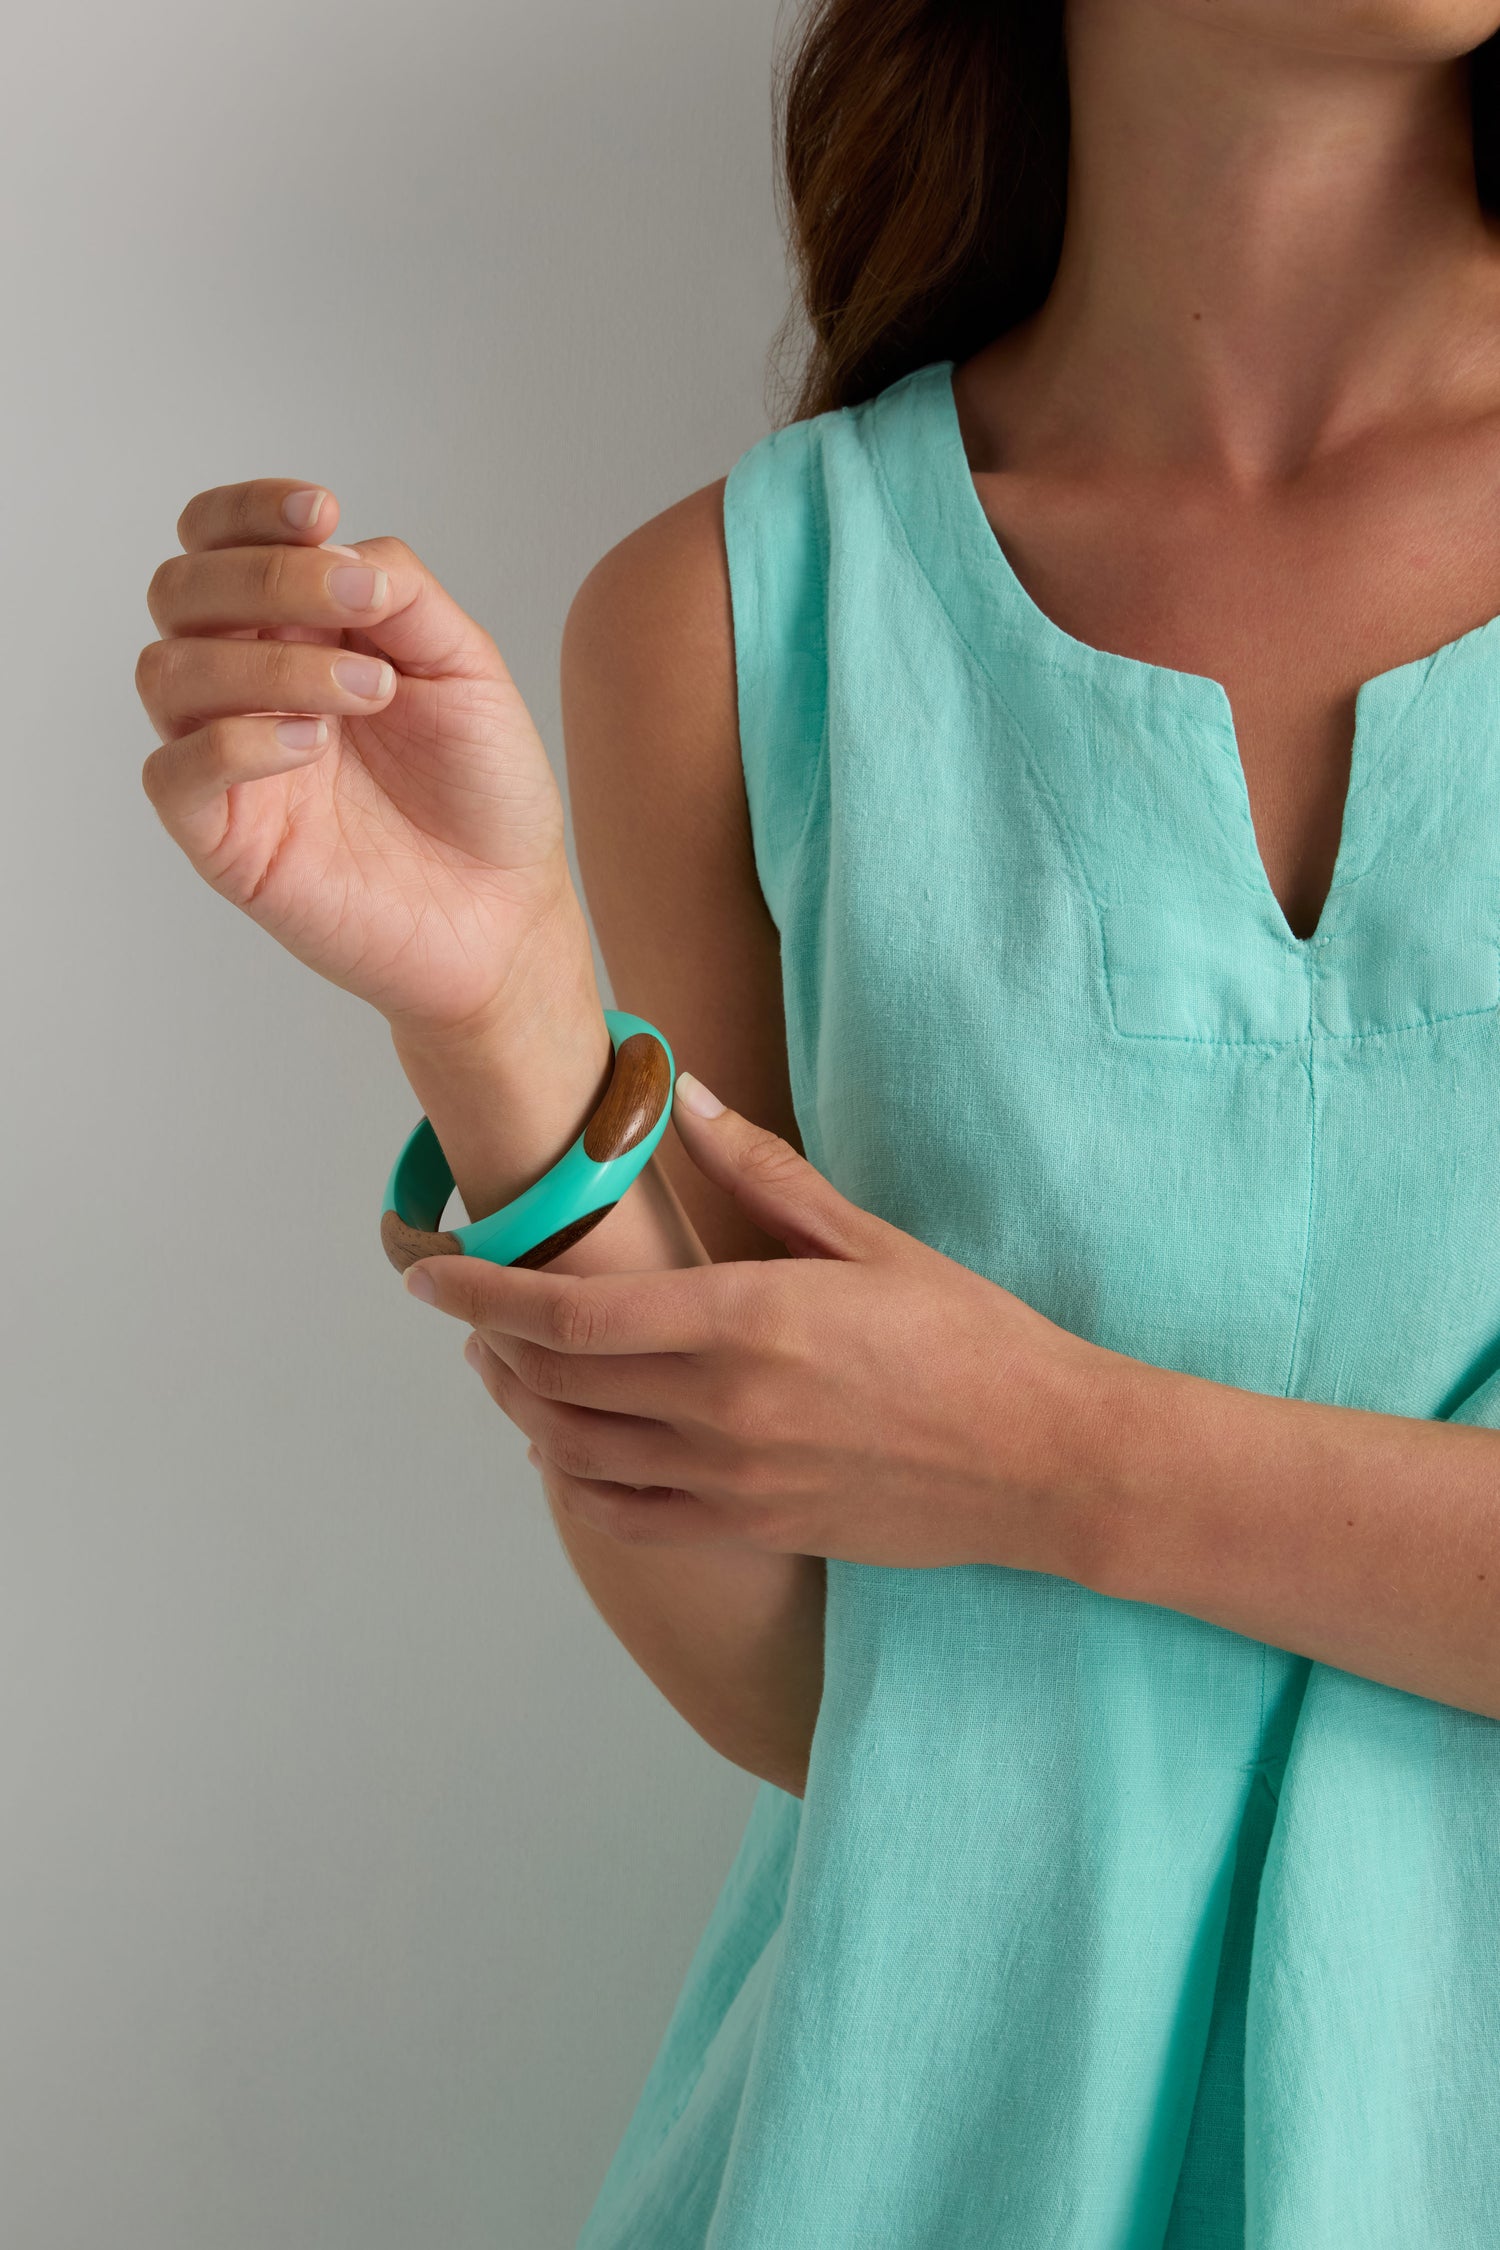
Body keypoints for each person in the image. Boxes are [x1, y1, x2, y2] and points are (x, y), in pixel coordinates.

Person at [135, 0, 1500, 2239]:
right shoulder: (735, 626)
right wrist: (499, 1022)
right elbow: (813, 1690)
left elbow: (976, 1493)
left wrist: (1056, 1460)